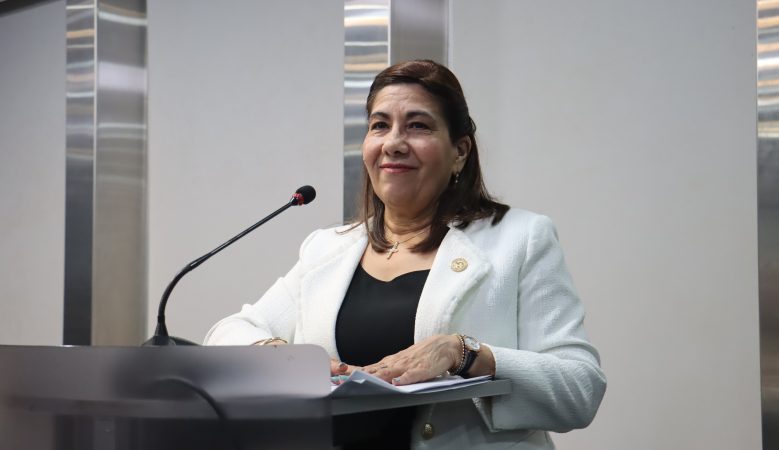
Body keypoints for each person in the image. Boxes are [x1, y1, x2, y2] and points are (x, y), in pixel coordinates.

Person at [205, 59, 606, 449]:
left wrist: (464, 353)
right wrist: (279, 356)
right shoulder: (328, 248)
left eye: (417, 126)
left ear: (460, 151)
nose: (393, 144)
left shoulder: (519, 238)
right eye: (380, 125)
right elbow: (228, 334)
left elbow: (580, 387)